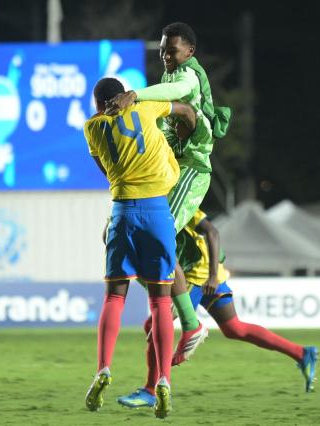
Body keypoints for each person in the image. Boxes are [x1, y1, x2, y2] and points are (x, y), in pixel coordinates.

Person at [106, 22, 231, 363]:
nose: (165, 56)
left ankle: (187, 319)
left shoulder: (189, 77)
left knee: (160, 238)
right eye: (162, 50)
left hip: (192, 170)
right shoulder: (169, 82)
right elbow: (161, 119)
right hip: (170, 169)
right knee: (123, 235)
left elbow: (174, 101)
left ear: (189, 52)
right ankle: (173, 303)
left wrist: (135, 94)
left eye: (171, 50)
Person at [117, 210, 320, 409]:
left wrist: (212, 276)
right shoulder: (155, 209)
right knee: (234, 328)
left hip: (199, 276)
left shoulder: (180, 206)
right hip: (203, 275)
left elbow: (212, 232)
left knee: (155, 323)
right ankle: (302, 353)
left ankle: (151, 391)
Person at [83, 77, 198, 419]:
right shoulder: (146, 108)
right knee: (161, 300)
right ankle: (163, 379)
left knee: (114, 297)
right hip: (156, 212)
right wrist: (185, 130)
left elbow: (106, 171)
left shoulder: (92, 128)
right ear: (123, 95)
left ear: (98, 103)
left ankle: (103, 368)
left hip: (122, 211)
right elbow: (186, 110)